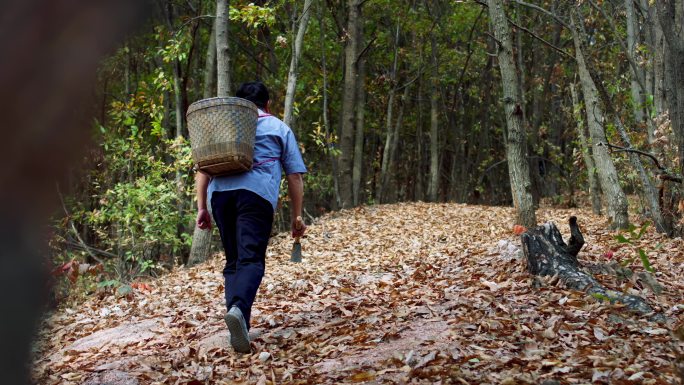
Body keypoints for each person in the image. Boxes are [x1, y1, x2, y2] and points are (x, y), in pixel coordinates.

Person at [195, 81, 307, 353]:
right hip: (255, 196)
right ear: (267, 104)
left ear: (240, 102)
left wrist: (202, 207)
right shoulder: (279, 127)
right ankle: (238, 310)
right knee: (252, 259)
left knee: (234, 260)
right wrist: (297, 215)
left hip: (220, 196)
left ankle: (240, 323)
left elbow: (203, 169)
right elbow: (294, 175)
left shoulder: (226, 125)